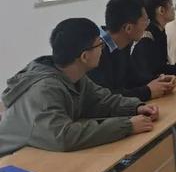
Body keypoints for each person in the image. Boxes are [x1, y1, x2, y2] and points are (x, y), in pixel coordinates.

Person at [0, 18, 158, 156]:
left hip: (43, 154)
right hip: (14, 163)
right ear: (84, 56)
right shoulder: (44, 89)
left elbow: (101, 100)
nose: (102, 50)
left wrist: (136, 107)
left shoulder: (74, 76)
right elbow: (64, 137)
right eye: (99, 45)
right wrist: (127, 126)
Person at [88, 0, 176, 101]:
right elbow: (106, 97)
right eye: (145, 21)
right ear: (128, 28)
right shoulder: (96, 50)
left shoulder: (123, 44)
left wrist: (160, 80)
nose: (147, 26)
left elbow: (133, 79)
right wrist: (148, 91)